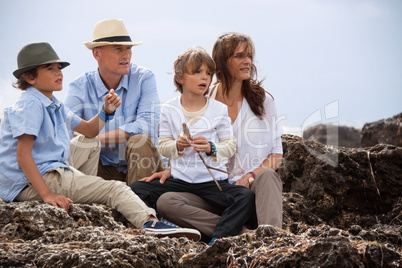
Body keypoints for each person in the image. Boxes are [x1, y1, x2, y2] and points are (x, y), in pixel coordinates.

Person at [0, 42, 201, 241]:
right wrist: (47, 195)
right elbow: (22, 155)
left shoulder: (53, 103)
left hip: (50, 168)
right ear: (30, 77)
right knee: (115, 188)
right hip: (33, 181)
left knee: (89, 141)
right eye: (50, 68)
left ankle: (83, 194)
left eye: (59, 68)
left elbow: (88, 130)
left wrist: (106, 111)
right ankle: (149, 222)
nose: (58, 73)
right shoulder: (30, 105)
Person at [146, 33, 284, 240]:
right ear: (221, 63)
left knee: (268, 176)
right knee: (167, 201)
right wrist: (171, 169)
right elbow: (189, 147)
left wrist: (249, 177)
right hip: (215, 194)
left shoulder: (263, 101)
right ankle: (240, 235)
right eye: (239, 56)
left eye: (249, 56)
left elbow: (276, 155)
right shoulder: (202, 98)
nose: (247, 61)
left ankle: (271, 239)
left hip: (252, 195)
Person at [130, 47, 255, 243]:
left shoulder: (219, 109)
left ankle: (218, 238)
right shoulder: (169, 109)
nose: (204, 78)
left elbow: (230, 145)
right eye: (197, 72)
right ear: (180, 77)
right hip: (180, 181)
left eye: (208, 73)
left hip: (212, 183)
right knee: (137, 189)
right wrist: (177, 146)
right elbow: (163, 145)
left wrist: (211, 148)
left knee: (245, 197)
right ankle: (170, 227)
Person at [65, 19, 165, 185]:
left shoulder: (144, 78)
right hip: (100, 168)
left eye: (128, 48)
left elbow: (147, 125)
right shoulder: (79, 86)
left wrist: (95, 137)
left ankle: (138, 204)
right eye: (118, 49)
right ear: (97, 54)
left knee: (139, 141)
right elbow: (65, 132)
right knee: (77, 147)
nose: (126, 55)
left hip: (144, 167)